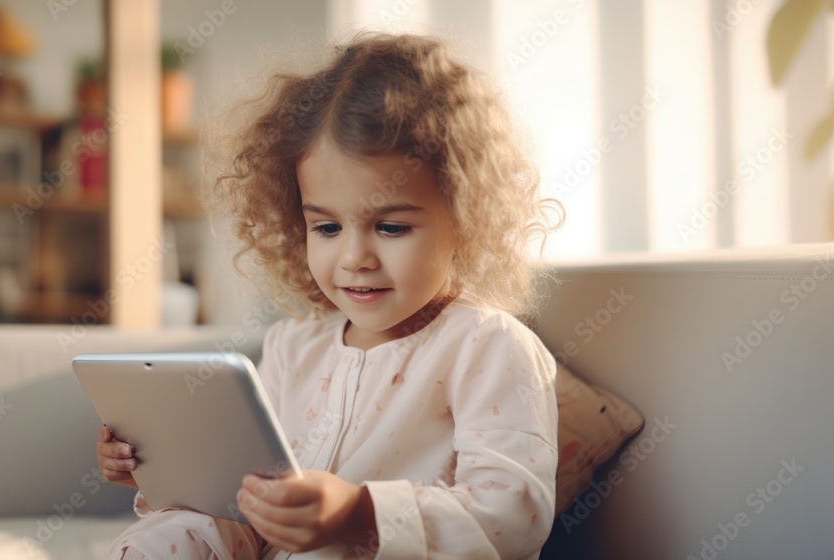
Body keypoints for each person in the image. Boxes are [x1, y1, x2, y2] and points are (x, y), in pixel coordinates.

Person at [96, 31, 564, 560]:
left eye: (390, 228)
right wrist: (158, 468)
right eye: (326, 228)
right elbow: (244, 503)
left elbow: (513, 517)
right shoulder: (293, 345)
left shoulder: (488, 346)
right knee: (167, 535)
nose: (354, 258)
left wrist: (359, 512)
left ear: (466, 217)